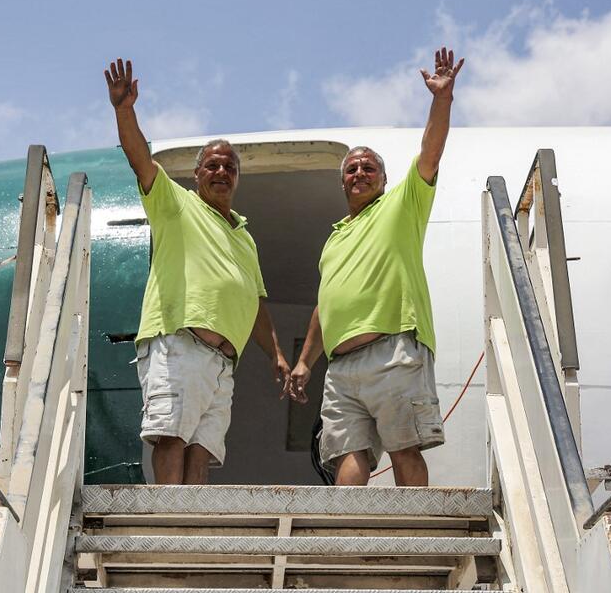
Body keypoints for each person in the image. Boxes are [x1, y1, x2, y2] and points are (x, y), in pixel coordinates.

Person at [105, 58, 290, 484]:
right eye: (212, 165)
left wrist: (276, 353)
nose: (221, 172)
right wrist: (123, 110)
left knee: (203, 452)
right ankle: (168, 525)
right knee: (171, 438)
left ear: (238, 177)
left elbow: (255, 303)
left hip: (223, 364)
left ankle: (187, 532)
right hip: (179, 346)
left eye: (230, 167)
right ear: (196, 174)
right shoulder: (176, 204)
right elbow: (140, 158)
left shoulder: (245, 236)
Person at [286, 48, 464, 486]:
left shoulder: (402, 205)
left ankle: (415, 547)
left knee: (404, 449)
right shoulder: (333, 238)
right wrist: (305, 362)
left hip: (393, 352)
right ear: (343, 181)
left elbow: (430, 153)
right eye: (351, 169)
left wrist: (441, 100)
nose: (360, 173)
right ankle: (349, 545)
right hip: (342, 367)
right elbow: (324, 305)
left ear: (383, 180)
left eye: (368, 168)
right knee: (347, 454)